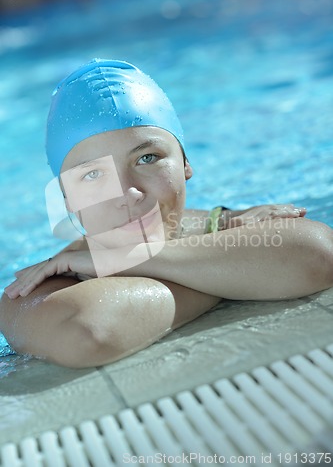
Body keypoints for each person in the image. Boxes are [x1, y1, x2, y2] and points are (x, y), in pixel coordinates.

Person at [1, 59, 333, 368]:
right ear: (67, 198)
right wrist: (234, 271)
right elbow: (89, 332)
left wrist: (126, 257)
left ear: (185, 163)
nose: (129, 193)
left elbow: (320, 252)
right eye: (93, 174)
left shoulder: (223, 222)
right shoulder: (36, 289)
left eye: (146, 158)